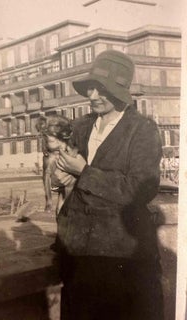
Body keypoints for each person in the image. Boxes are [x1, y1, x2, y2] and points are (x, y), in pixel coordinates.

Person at [54, 50, 163, 320]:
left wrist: (84, 173)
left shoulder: (142, 130)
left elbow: (141, 188)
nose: (91, 96)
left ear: (120, 91)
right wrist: (62, 177)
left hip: (119, 256)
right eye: (90, 88)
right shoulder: (82, 126)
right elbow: (68, 173)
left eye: (100, 89)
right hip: (78, 252)